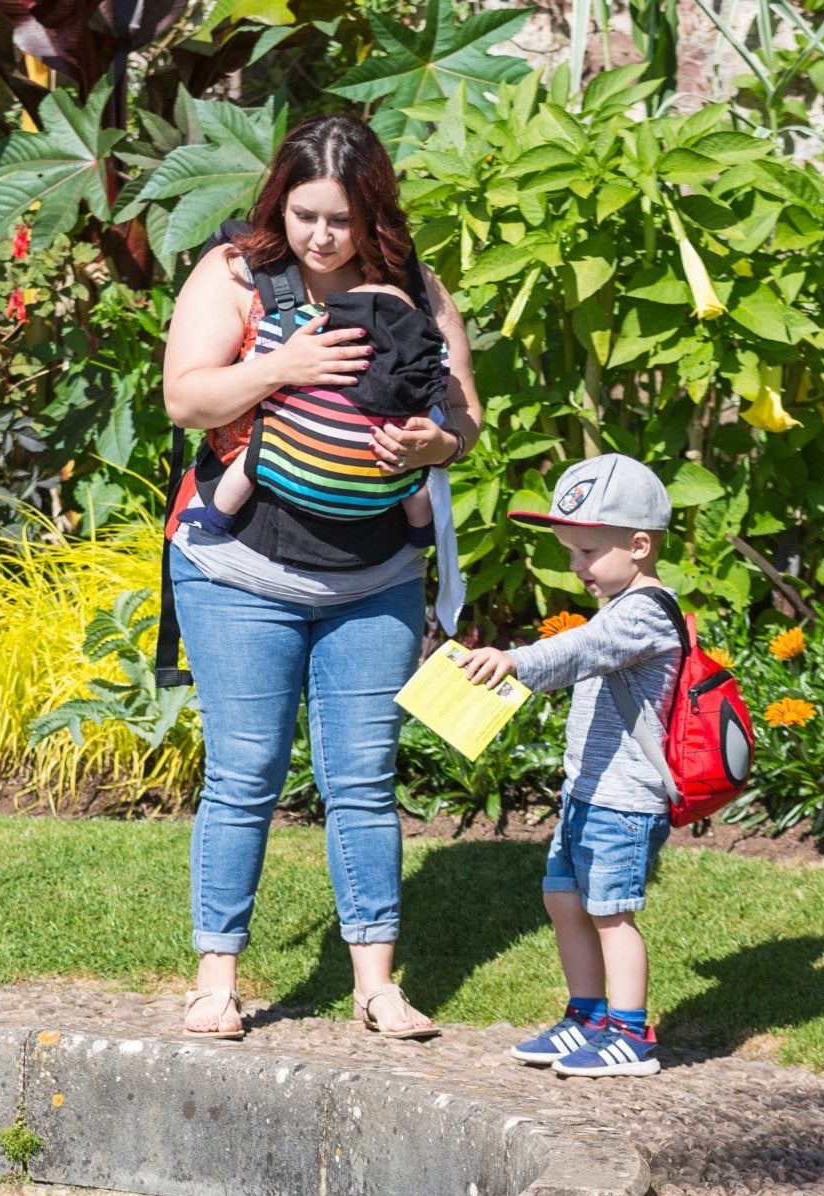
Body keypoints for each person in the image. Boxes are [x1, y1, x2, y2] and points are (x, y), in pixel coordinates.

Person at [160, 115, 483, 1042]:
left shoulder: (416, 288)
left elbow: (464, 417)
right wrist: (284, 365)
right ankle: (216, 977)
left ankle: (376, 984)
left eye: (340, 219)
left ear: (371, 211)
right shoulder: (238, 276)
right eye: (305, 215)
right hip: (240, 567)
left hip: (373, 572)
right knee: (246, 771)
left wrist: (438, 440)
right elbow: (186, 397)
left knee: (363, 779)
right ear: (280, 203)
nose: (321, 237)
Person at [451, 453, 687, 1077]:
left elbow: (582, 649)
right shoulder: (617, 604)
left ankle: (631, 1033)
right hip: (588, 791)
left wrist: (517, 661)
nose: (575, 566)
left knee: (611, 911)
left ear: (639, 545)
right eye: (569, 551)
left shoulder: (645, 610)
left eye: (586, 552)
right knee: (564, 900)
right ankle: (587, 1016)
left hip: (625, 798)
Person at [186, 281, 445, 540]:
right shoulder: (418, 359)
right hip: (380, 490)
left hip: (289, 477)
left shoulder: (318, 336)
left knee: (251, 461)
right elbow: (444, 377)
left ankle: (217, 517)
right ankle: (421, 533)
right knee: (415, 485)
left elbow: (262, 351)